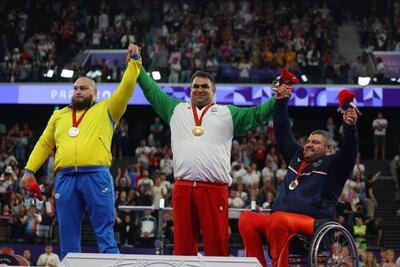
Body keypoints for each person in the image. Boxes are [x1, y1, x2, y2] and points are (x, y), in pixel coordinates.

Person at [128, 43, 276, 256]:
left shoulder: (227, 113)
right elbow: (151, 90)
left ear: (214, 91)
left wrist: (277, 100)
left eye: (204, 86)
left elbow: (256, 114)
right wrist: (137, 64)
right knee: (182, 246)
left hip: (214, 189)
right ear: (190, 90)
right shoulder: (176, 109)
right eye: (195, 86)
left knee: (217, 245)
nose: (199, 90)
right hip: (183, 187)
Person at [19, 45, 142, 259]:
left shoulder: (107, 109)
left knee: (105, 232)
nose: (78, 91)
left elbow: (127, 86)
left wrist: (135, 61)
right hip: (65, 178)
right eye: (75, 88)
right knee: (67, 235)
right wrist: (29, 169)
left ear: (95, 93)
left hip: (96, 175)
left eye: (83, 88)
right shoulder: (59, 116)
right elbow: (44, 144)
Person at [239, 85, 359, 267]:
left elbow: (349, 151)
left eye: (316, 143)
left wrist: (349, 127)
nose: (309, 144)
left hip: (312, 224)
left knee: (278, 219)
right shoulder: (296, 156)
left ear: (328, 149)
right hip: (279, 220)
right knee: (247, 219)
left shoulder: (334, 164)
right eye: (308, 141)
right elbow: (282, 130)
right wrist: (281, 101)